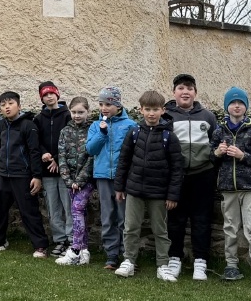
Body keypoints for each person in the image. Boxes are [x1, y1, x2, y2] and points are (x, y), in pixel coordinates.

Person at [114, 90, 185, 280]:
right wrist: (119, 187)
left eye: (155, 109)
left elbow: (177, 169)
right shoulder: (134, 133)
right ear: (141, 110)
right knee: (130, 228)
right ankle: (129, 261)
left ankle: (163, 265)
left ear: (163, 110)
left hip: (159, 192)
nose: (151, 113)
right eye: (147, 109)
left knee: (160, 230)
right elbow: (124, 161)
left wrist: (172, 195)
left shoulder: (169, 137)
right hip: (134, 190)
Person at [163, 73, 221, 281]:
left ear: (195, 93)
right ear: (174, 92)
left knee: (201, 220)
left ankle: (200, 262)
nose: (185, 92)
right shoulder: (166, 116)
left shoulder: (208, 116)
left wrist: (210, 159)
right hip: (176, 176)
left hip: (203, 175)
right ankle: (174, 259)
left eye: (189, 88)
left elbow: (216, 142)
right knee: (175, 220)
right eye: (181, 88)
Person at [0, 91, 48, 257]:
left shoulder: (28, 125)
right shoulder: (1, 125)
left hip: (23, 176)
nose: (7, 107)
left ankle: (41, 246)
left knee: (29, 211)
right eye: (3, 105)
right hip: (3, 175)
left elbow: (34, 152)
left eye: (10, 103)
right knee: (0, 210)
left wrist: (37, 176)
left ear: (19, 106)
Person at [215, 86, 251, 287]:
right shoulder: (219, 131)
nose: (237, 106)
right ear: (227, 107)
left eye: (240, 103)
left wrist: (242, 156)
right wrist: (217, 153)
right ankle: (231, 265)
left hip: (249, 187)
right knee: (230, 228)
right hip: (227, 188)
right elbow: (210, 158)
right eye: (233, 103)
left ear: (246, 107)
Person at [86, 86, 137, 270]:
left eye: (108, 104)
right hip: (102, 177)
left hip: (123, 178)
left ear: (118, 105)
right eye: (101, 104)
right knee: (107, 217)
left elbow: (134, 152)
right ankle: (111, 255)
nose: (104, 108)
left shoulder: (130, 125)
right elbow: (90, 149)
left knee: (124, 218)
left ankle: (127, 255)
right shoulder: (95, 126)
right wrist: (102, 133)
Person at [55, 96, 95, 266]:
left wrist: (79, 180)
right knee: (80, 213)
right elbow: (61, 156)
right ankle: (84, 251)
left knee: (77, 210)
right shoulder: (65, 131)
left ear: (88, 112)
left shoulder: (92, 130)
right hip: (70, 181)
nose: (77, 115)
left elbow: (92, 157)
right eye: (74, 112)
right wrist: (68, 179)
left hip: (86, 180)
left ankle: (75, 249)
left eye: (81, 112)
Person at [35, 81, 72, 257]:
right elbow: (36, 140)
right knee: (53, 207)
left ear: (57, 94)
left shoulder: (67, 116)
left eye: (51, 93)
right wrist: (44, 153)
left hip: (64, 170)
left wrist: (57, 159)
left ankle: (72, 240)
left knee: (68, 206)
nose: (49, 97)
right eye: (45, 95)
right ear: (41, 98)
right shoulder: (38, 119)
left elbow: (70, 140)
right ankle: (60, 240)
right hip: (47, 170)